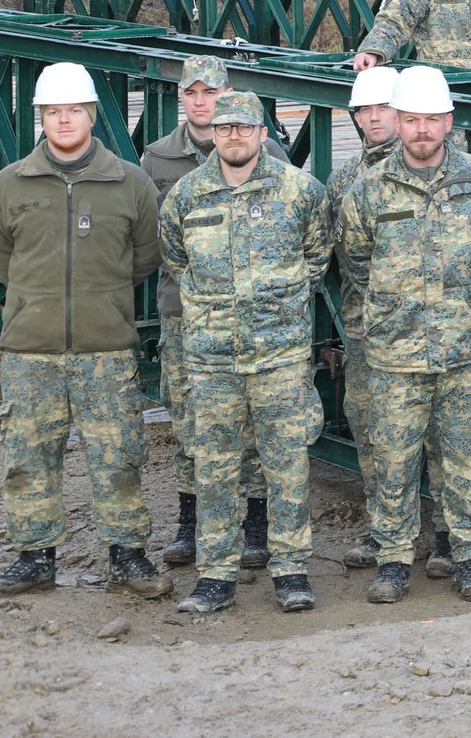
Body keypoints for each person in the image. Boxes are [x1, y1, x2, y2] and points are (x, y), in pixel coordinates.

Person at [0, 62, 168, 600]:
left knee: (120, 457)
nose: (64, 120)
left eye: (74, 111)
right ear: (42, 118)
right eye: (54, 112)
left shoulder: (129, 182)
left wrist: (100, 298)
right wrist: (38, 297)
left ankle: (128, 557)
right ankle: (34, 559)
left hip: (106, 349)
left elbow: (145, 255)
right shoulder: (10, 184)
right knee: (28, 457)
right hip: (29, 351)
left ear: (91, 115)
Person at [337, 66, 471, 606]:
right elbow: (357, 258)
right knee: (394, 460)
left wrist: (457, 301)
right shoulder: (369, 188)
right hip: (395, 352)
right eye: (411, 120)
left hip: (463, 350)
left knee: (463, 459)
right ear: (398, 120)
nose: (420, 130)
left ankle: (469, 559)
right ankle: (393, 562)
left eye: (430, 120)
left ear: (448, 122)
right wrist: (401, 306)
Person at [159, 92, 331, 615]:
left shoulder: (301, 191)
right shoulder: (186, 196)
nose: (234, 135)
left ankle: (291, 570)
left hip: (280, 357)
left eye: (245, 127)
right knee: (213, 467)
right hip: (212, 362)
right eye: (226, 127)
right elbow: (175, 259)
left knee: (287, 466)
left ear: (264, 133)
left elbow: (317, 255)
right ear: (213, 133)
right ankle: (215, 576)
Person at [140, 55, 277, 571]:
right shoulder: (157, 158)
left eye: (212, 92)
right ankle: (190, 521)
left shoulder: (268, 150)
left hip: (257, 313)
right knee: (191, 417)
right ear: (182, 97)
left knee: (258, 421)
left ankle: (258, 524)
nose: (202, 102)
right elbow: (159, 241)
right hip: (185, 311)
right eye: (192, 93)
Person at [322, 65, 438, 574]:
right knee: (371, 428)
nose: (372, 118)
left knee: (441, 432)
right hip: (369, 328)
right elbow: (328, 250)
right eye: (363, 110)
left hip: (435, 327)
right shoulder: (346, 180)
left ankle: (448, 532)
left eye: (382, 108)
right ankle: (385, 528)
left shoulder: (435, 165)